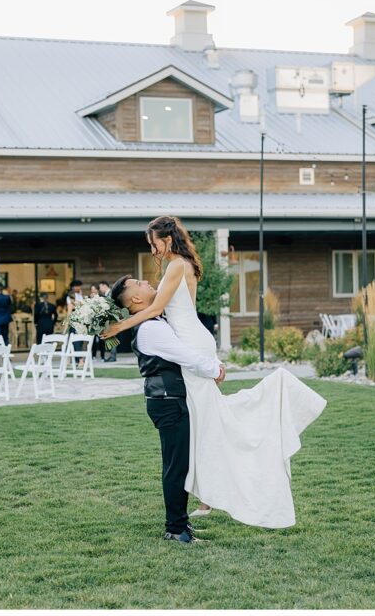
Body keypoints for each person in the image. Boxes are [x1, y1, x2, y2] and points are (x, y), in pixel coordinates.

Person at [104, 216, 327, 529]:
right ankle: (207, 492)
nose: (152, 248)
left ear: (166, 238)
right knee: (207, 418)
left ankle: (212, 488)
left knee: (210, 421)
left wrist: (117, 326)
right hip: (193, 337)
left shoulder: (175, 266)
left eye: (153, 242)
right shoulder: (184, 264)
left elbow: (153, 311)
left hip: (190, 344)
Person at [110, 274, 226, 543]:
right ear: (136, 299)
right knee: (176, 466)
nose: (148, 283)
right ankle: (175, 529)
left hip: (168, 398)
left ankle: (180, 523)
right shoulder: (150, 329)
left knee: (179, 464)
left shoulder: (154, 321)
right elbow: (183, 354)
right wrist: (214, 369)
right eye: (140, 283)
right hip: (167, 401)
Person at [98, 280, 118, 362]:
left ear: (104, 285)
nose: (100, 289)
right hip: (108, 319)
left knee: (111, 336)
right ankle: (112, 355)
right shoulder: (106, 294)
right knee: (110, 336)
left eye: (100, 287)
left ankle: (113, 356)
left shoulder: (111, 293)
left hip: (111, 319)